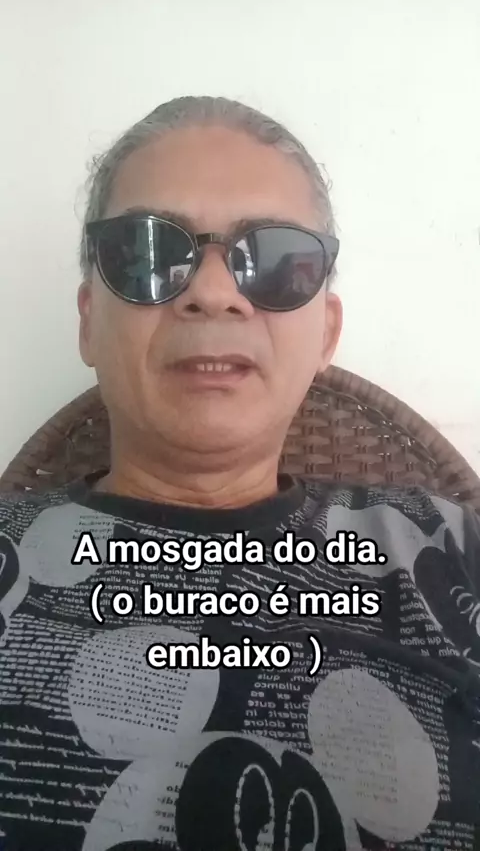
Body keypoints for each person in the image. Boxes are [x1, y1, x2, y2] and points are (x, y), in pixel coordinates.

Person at [0, 96, 479, 851]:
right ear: (89, 319)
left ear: (326, 332)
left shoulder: (452, 554)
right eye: (150, 252)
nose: (214, 293)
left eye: (276, 260)